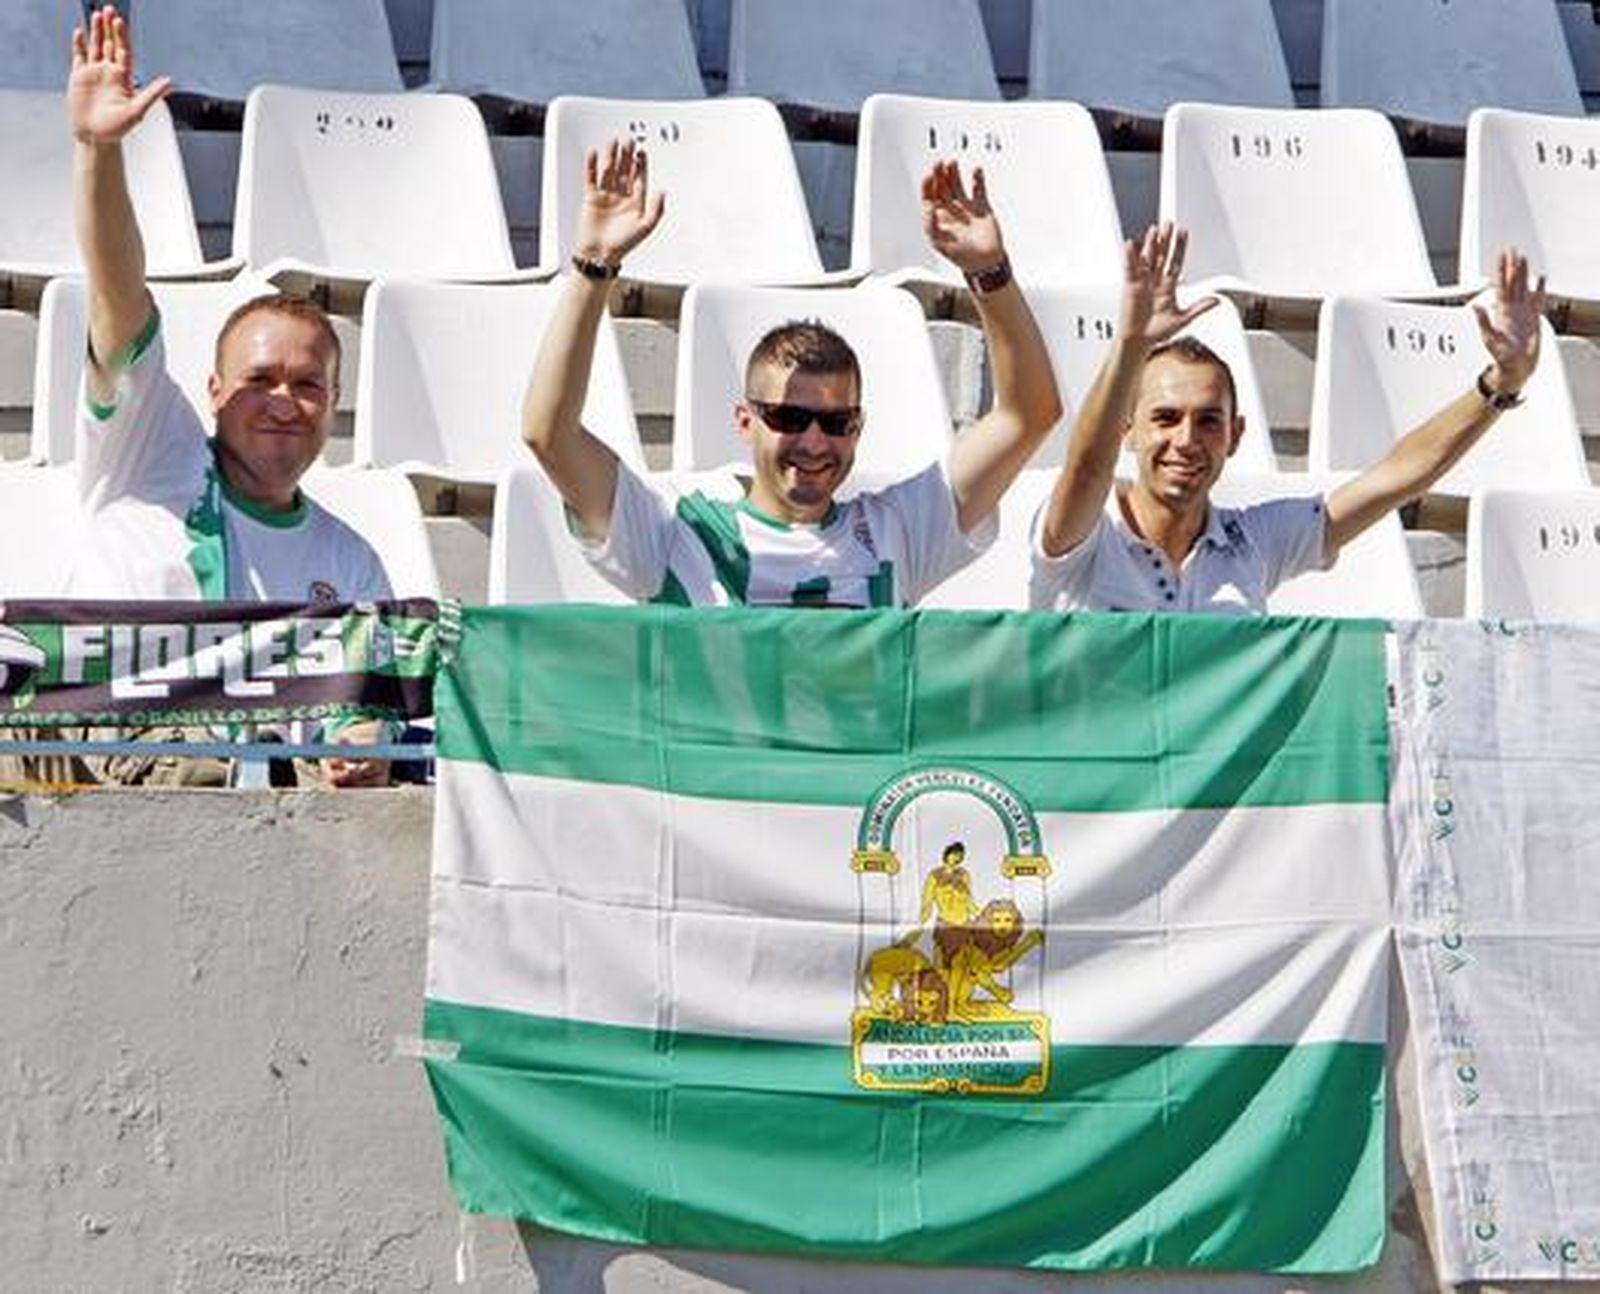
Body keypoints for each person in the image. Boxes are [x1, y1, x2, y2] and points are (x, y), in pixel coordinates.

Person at [6, 7, 394, 787]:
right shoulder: (151, 450)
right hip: (99, 748)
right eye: (259, 379)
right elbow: (120, 296)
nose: (282, 400)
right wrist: (98, 153)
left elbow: (366, 714)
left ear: (334, 403)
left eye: (307, 384)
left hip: (250, 792)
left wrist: (361, 752)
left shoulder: (350, 564)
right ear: (213, 391)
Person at [521, 140, 1062, 607]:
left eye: (836, 422)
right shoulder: (678, 531)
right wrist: (594, 269)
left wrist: (988, 272)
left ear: (858, 428)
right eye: (789, 417)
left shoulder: (897, 531)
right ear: (744, 421)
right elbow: (549, 434)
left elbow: (1028, 416)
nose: (814, 442)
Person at [1031, 223, 1547, 614]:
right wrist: (1129, 346)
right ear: (1127, 431)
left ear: (1236, 436)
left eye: (1208, 422)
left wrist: (1501, 385)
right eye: (1165, 418)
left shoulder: (1253, 541)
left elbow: (1398, 477)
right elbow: (1087, 467)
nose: (1186, 440)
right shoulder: (1083, 531)